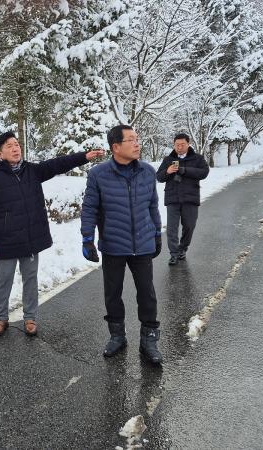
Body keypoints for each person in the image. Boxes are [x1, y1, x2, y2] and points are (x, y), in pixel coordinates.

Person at [0, 131, 104, 338]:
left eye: (16, 144)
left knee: (30, 278)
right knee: (3, 280)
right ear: (0, 154)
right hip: (6, 238)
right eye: (9, 146)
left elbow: (57, 164)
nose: (15, 148)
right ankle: (1, 318)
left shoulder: (31, 171)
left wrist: (83, 156)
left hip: (30, 236)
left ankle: (30, 317)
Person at [80, 125, 163, 364]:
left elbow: (152, 206)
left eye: (137, 139)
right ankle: (117, 336)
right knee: (113, 293)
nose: (137, 144)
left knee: (147, 294)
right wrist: (87, 238)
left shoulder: (147, 172)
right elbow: (90, 208)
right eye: (131, 140)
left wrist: (157, 233)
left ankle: (149, 339)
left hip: (143, 244)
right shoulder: (98, 174)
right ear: (116, 147)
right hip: (114, 245)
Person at [156, 133, 209, 266]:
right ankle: (173, 254)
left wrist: (184, 170)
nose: (179, 147)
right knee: (172, 229)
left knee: (189, 226)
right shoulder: (168, 159)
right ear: (174, 145)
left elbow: (204, 173)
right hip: (172, 198)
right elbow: (159, 177)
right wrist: (168, 171)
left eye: (182, 144)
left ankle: (182, 248)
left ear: (188, 143)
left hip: (190, 198)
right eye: (177, 145)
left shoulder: (197, 158)